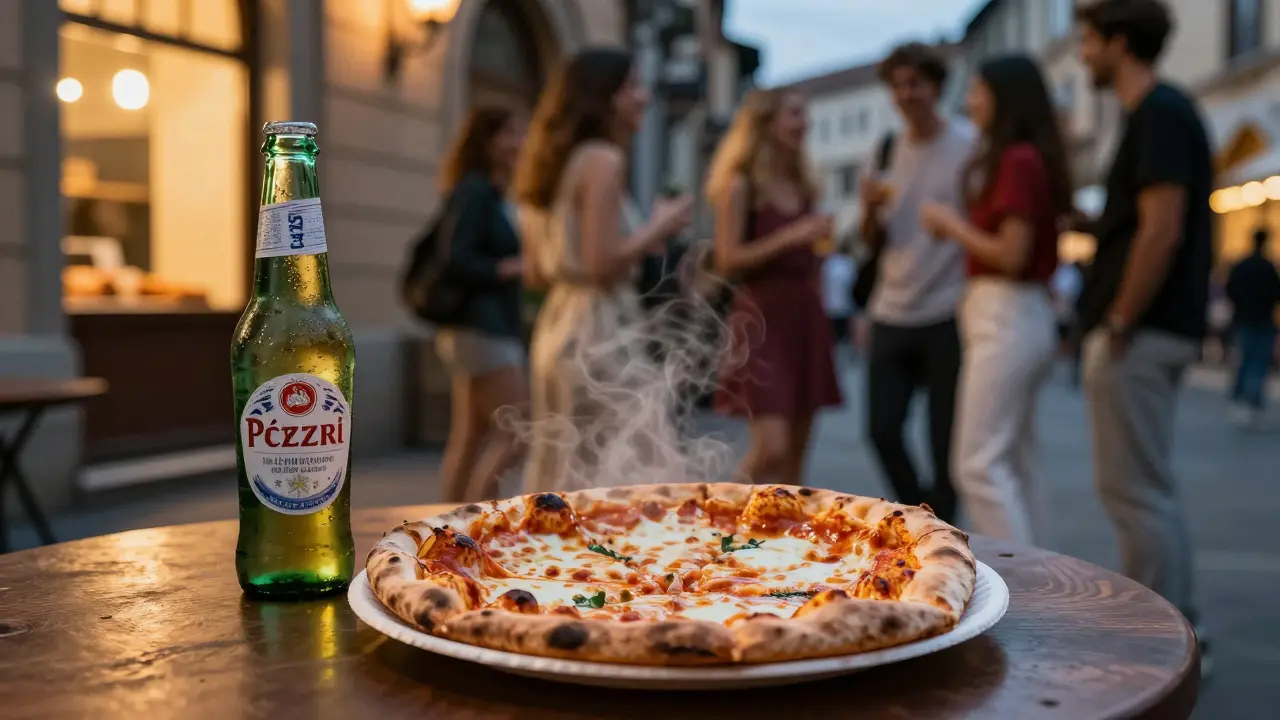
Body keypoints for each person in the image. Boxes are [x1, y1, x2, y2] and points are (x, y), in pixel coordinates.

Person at [1074, 0, 1214, 669]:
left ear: (1118, 42)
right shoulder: (1160, 113)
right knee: (1147, 487)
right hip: (1156, 327)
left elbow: (1162, 229)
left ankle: (1162, 641)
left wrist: (1120, 319)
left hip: (1143, 329)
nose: (1081, 54)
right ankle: (1182, 629)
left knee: (1133, 490)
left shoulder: (1157, 113)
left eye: (1088, 40)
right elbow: (1142, 224)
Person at [514, 48, 695, 493]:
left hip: (558, 326)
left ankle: (549, 556)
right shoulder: (603, 160)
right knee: (628, 464)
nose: (645, 97)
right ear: (607, 96)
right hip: (601, 329)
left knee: (565, 463)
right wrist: (658, 227)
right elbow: (600, 264)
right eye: (633, 86)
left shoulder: (551, 165)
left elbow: (536, 273)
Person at [919, 55, 1072, 545]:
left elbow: (1011, 254)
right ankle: (1043, 579)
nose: (969, 101)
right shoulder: (1026, 157)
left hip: (1004, 314)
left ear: (1003, 97)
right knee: (1017, 460)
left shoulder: (1017, 160)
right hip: (1018, 314)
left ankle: (1021, 584)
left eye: (978, 90)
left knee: (977, 463)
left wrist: (951, 225)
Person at [858, 43, 974, 522]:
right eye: (898, 86)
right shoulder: (885, 150)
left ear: (938, 87)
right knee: (881, 429)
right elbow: (869, 238)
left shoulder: (968, 144)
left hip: (948, 309)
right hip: (891, 309)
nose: (907, 95)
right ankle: (923, 515)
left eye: (916, 84)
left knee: (946, 443)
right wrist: (866, 209)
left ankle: (944, 533)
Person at [705, 89, 843, 485]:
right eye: (795, 114)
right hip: (761, 319)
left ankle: (781, 540)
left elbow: (811, 257)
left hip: (804, 316)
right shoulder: (739, 185)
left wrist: (817, 248)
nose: (805, 123)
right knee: (772, 448)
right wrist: (792, 236)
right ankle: (718, 519)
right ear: (767, 123)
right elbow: (726, 259)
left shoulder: (804, 183)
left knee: (796, 460)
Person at [432, 107, 529, 503]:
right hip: (482, 328)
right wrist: (509, 267)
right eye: (511, 133)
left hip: (474, 328)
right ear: (488, 142)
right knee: (518, 432)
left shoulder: (484, 190)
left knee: (470, 435)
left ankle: (442, 530)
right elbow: (456, 258)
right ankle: (468, 527)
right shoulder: (475, 191)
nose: (520, 143)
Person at [1226, 228, 1280, 427]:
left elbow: (1230, 289)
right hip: (1263, 319)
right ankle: (1253, 400)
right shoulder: (1268, 267)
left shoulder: (1242, 265)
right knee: (1258, 362)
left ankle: (1239, 398)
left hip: (1244, 318)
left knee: (1244, 358)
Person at [821, 247, 857, 358]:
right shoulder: (849, 263)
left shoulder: (828, 264)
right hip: (843, 309)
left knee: (835, 343)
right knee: (842, 343)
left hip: (833, 309)